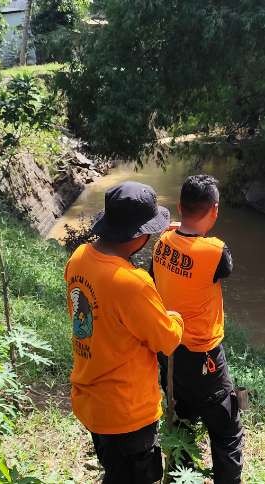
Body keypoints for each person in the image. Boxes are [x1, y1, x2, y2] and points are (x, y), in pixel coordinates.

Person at [64, 181, 185, 483]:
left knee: (115, 471)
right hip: (127, 413)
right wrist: (175, 318)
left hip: (92, 400)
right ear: (138, 237)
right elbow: (166, 340)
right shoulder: (133, 283)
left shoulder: (79, 258)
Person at [151, 174, 244, 483]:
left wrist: (176, 228)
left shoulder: (162, 241)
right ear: (215, 210)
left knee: (182, 422)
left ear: (179, 206)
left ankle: (179, 477)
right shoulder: (216, 251)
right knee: (226, 430)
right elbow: (225, 267)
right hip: (206, 359)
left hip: (170, 353)